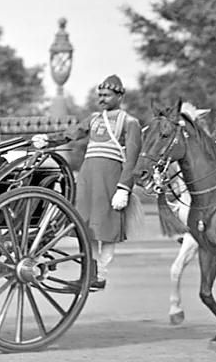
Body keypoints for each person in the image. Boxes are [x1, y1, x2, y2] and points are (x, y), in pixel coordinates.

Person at [32, 74, 142, 290]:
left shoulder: (130, 122)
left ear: (119, 96)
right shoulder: (93, 118)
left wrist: (124, 188)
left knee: (108, 228)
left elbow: (132, 158)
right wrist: (48, 139)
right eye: (100, 95)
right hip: (87, 177)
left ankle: (101, 274)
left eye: (107, 95)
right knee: (86, 225)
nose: (102, 99)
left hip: (110, 180)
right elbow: (70, 135)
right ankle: (89, 273)